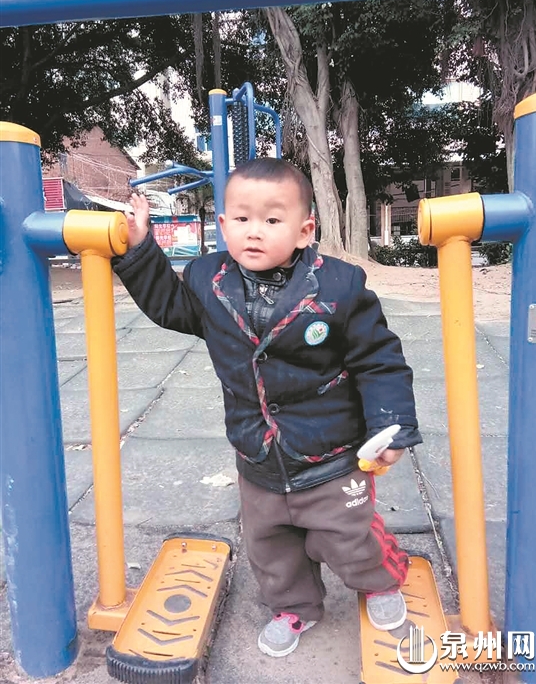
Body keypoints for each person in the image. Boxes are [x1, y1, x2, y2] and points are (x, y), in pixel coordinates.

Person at [112, 158, 422, 658]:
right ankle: (294, 605)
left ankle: (380, 581)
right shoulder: (208, 279)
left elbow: (378, 360)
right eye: (241, 218)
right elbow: (170, 305)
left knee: (348, 536)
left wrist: (391, 425)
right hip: (257, 453)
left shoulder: (340, 287)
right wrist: (139, 247)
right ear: (223, 224)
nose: (253, 231)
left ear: (304, 231)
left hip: (330, 450)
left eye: (272, 219)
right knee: (270, 545)